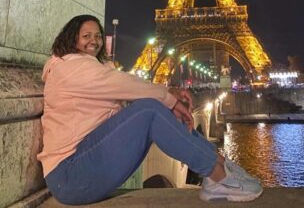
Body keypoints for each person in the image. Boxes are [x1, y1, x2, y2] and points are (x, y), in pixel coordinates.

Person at [37, 15, 263, 204]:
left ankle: (218, 164)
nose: (94, 41)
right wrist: (169, 99)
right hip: (71, 175)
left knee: (153, 110)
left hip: (81, 166)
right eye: (86, 36)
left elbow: (125, 97)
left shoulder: (82, 67)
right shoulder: (73, 68)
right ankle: (217, 175)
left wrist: (167, 97)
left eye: (97, 36)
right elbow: (126, 85)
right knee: (150, 110)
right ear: (72, 38)